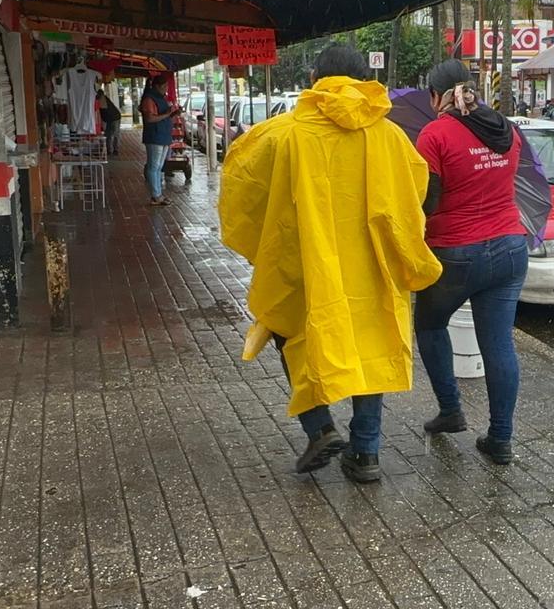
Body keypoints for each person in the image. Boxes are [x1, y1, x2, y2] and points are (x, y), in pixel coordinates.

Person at [218, 45, 442, 483]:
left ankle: (319, 426)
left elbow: (241, 186)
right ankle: (366, 453)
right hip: (371, 270)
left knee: (290, 334)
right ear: (364, 80)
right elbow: (414, 197)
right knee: (371, 349)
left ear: (317, 77)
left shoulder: (281, 133)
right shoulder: (392, 136)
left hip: (304, 265)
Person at [414, 59, 529, 466]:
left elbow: (426, 201)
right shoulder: (505, 129)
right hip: (511, 248)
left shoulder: (434, 134)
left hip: (455, 253)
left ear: (436, 95)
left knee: (428, 324)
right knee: (498, 344)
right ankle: (500, 439)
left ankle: (451, 410)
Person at [140, 73, 180, 205]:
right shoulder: (149, 99)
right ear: (157, 86)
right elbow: (150, 118)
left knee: (159, 166)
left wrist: (173, 114)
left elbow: (165, 117)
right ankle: (155, 195)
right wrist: (167, 114)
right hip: (154, 136)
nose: (166, 89)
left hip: (163, 135)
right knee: (154, 166)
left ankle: (158, 194)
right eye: (164, 86)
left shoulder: (160, 98)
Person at [98, 89, 122, 156]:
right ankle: (110, 150)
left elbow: (102, 111)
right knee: (109, 134)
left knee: (114, 133)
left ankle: (115, 150)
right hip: (110, 118)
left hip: (115, 117)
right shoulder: (103, 99)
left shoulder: (102, 99)